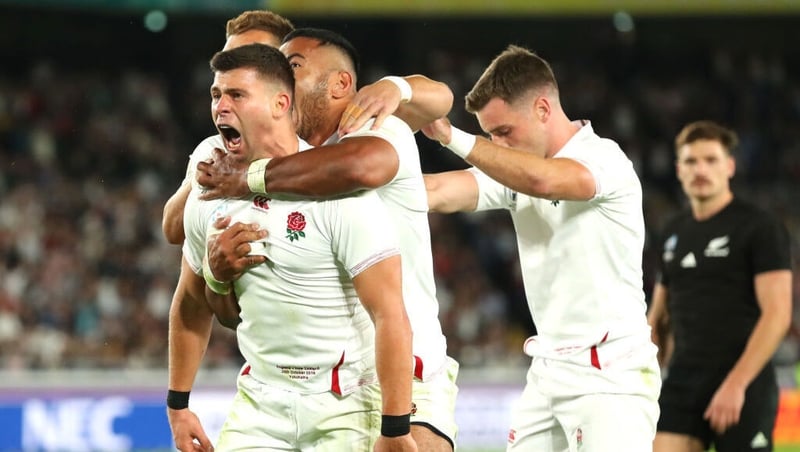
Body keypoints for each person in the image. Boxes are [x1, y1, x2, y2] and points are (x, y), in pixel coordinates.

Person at [194, 28, 459, 451]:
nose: (282, 74)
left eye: (293, 66)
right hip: (320, 383)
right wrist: (195, 191)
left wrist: (397, 86)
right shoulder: (263, 155)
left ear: (339, 84)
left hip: (411, 367)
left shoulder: (373, 128)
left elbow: (363, 164)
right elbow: (176, 226)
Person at [420, 45, 661, 451]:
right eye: (491, 134)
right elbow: (437, 190)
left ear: (544, 110)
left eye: (504, 132)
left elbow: (545, 181)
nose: (498, 144)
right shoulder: (517, 168)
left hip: (610, 373)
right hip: (549, 369)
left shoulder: (604, 159)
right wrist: (340, 181)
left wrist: (452, 137)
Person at [647, 120, 793, 452]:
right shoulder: (673, 229)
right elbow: (658, 316)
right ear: (678, 169)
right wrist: (645, 374)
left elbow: (778, 314)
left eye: (711, 160)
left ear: (729, 166)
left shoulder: (759, 227)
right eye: (691, 161)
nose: (700, 169)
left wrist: (736, 385)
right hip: (683, 381)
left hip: (745, 380)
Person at [161, 10, 295, 245]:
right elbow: (172, 230)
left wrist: (385, 85)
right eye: (230, 57)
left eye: (251, 57)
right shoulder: (213, 149)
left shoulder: (323, 139)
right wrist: (201, 182)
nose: (234, 68)